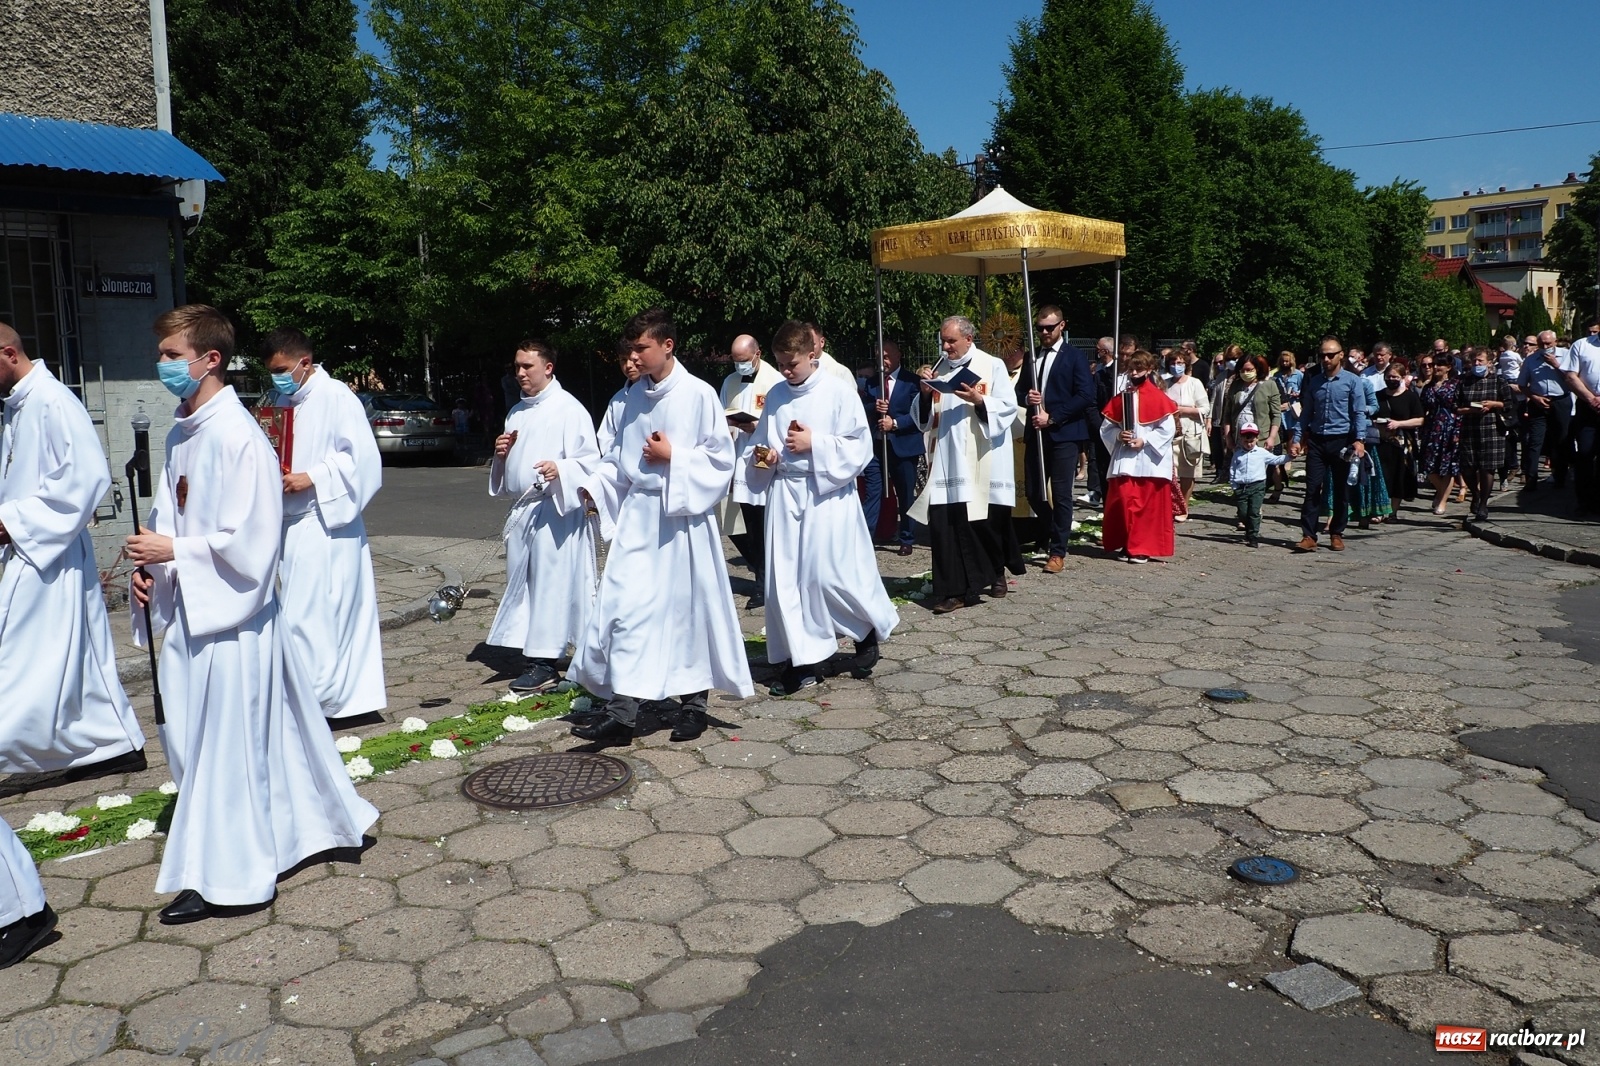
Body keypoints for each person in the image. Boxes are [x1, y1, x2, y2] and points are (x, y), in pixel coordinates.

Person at [127, 305, 377, 924]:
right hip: (194, 608)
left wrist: (174, 552)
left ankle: (231, 879)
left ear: (210, 359)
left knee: (228, 751)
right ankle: (297, 832)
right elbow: (170, 515)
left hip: (234, 623)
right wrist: (149, 566)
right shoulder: (182, 430)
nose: (161, 366)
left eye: (170, 356)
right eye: (160, 354)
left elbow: (254, 546)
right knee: (210, 742)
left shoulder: (239, 436)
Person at [569, 309, 753, 744]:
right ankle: (623, 712)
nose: (633, 357)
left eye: (641, 348)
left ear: (667, 346)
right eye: (630, 349)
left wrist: (676, 457)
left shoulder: (698, 394)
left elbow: (721, 461)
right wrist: (593, 487)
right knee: (626, 610)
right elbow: (619, 461)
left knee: (686, 612)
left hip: (683, 521)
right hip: (640, 519)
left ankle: (693, 704)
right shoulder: (634, 397)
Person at [0, 322, 146, 776]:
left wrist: (13, 520)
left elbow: (86, 478)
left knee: (24, 661)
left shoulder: (53, 400)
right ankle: (108, 744)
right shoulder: (16, 407)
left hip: (50, 551)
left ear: (7, 353)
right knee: (60, 662)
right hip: (27, 548)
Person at [747, 321, 898, 694]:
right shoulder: (778, 394)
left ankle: (864, 632)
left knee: (827, 576)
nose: (785, 371)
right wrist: (764, 457)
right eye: (781, 363)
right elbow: (765, 444)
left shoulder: (838, 391)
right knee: (787, 582)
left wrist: (815, 443)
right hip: (786, 494)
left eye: (792, 364)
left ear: (812, 355)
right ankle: (803, 662)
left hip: (826, 495)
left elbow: (860, 448)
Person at [260, 328, 387, 723]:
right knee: (306, 612)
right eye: (272, 372)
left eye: (283, 369)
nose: (278, 378)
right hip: (289, 519)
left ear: (305, 363)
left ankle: (320, 703)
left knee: (315, 613)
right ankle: (326, 700)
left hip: (325, 519)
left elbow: (363, 461)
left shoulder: (336, 397)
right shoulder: (282, 399)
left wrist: (313, 476)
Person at [488, 340, 601, 693]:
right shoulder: (517, 412)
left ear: (548, 368)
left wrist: (561, 468)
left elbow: (590, 463)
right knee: (527, 586)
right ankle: (535, 653)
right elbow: (508, 477)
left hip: (556, 512)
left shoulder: (570, 409)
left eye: (528, 367)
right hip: (525, 512)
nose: (520, 373)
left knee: (553, 586)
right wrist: (501, 455)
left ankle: (544, 661)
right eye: (517, 367)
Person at [909, 316, 1021, 612]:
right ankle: (953, 592)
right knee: (946, 525)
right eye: (943, 341)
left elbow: (1008, 409)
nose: (945, 347)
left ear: (968, 339)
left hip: (983, 457)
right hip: (947, 458)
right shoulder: (938, 368)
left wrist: (980, 401)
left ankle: (996, 571)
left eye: (951, 342)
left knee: (984, 523)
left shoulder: (991, 365)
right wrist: (923, 392)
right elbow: (923, 419)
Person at [1018, 306, 1095, 572]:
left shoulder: (1074, 357)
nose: (1044, 332)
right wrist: (1027, 399)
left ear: (1062, 325)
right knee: (1033, 492)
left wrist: (1052, 417)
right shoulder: (1032, 357)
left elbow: (1086, 395)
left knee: (1061, 494)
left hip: (1065, 434)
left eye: (1049, 327)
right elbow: (1019, 392)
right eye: (1040, 328)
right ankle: (1054, 529)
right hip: (1036, 435)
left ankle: (1057, 551)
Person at [718, 334, 783, 609]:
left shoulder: (775, 381)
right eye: (735, 361)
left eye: (744, 360)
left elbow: (781, 419)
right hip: (738, 457)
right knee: (740, 523)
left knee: (764, 522)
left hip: (763, 457)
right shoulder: (730, 382)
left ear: (757, 354)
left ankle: (765, 583)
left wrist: (758, 427)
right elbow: (722, 414)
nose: (739, 366)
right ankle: (761, 571)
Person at [1288, 336, 1369, 552]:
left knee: (1341, 490)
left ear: (1341, 355)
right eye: (1323, 355)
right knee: (1313, 488)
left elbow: (1358, 412)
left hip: (1342, 441)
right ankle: (1308, 535)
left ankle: (1336, 532)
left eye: (1330, 355)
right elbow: (1305, 414)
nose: (1326, 359)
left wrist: (1359, 440)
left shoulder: (1352, 381)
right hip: (1317, 441)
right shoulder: (1314, 381)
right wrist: (1297, 438)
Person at [1098, 349, 1178, 563]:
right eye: (1131, 369)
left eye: (1138, 369)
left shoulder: (1159, 398)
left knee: (1146, 507)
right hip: (1126, 459)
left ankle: (1141, 547)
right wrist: (1118, 435)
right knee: (1124, 502)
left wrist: (1146, 440)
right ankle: (1127, 542)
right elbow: (1106, 428)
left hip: (1149, 460)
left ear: (1149, 370)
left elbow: (1167, 429)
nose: (1133, 373)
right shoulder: (1122, 397)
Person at [863, 340, 924, 556]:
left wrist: (895, 423)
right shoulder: (871, 383)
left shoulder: (912, 382)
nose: (883, 362)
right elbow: (862, 410)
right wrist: (873, 407)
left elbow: (919, 414)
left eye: (887, 357)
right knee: (873, 491)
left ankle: (907, 537)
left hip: (903, 445)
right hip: (876, 446)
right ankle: (866, 535)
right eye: (880, 357)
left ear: (898, 356)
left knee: (905, 493)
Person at [1454, 346, 1513, 522]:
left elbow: (1509, 404)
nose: (1477, 364)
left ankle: (1483, 505)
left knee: (1487, 468)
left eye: (1480, 361)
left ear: (1489, 362)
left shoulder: (1498, 381)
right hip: (1469, 428)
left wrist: (1494, 404)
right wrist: (1470, 410)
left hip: (1492, 429)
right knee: (1467, 467)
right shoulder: (1463, 381)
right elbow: (1455, 407)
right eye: (1474, 361)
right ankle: (1475, 493)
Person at [1519, 330, 1572, 495]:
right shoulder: (1531, 360)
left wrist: (1556, 365)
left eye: (1548, 344)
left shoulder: (1566, 355)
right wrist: (1534, 397)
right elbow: (1522, 384)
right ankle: (1531, 478)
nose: (1546, 347)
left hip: (1561, 400)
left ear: (1555, 342)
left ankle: (1560, 476)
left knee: (1562, 439)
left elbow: (1573, 379)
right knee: (1535, 440)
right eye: (1542, 344)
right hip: (1539, 401)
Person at [1164, 347, 1210, 521]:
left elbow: (1205, 408)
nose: (1177, 366)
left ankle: (1184, 505)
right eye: (1173, 363)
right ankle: (1171, 504)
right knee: (1171, 471)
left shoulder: (1194, 383)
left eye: (1180, 363)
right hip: (1170, 433)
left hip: (1191, 432)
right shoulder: (1165, 383)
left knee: (1187, 471)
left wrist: (1182, 409)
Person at [1374, 358, 1425, 513]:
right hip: (1381, 441)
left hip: (1402, 444)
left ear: (1403, 378)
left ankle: (1393, 510)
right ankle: (1380, 509)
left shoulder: (1410, 397)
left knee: (1398, 477)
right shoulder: (1378, 396)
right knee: (1381, 476)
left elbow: (1420, 419)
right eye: (1389, 377)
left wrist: (1398, 424)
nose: (1391, 380)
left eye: (1395, 377)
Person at [1562, 318, 1600, 514]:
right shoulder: (1582, 345)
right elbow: (1570, 376)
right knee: (1585, 453)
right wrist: (1591, 398)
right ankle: (1585, 501)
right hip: (1588, 408)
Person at [1230, 421, 1289, 547]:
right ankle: (1248, 528)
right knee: (1243, 512)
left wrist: (1289, 456)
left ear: (1257, 439)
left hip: (1257, 486)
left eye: (1251, 440)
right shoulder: (1237, 454)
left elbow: (1276, 459)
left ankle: (1253, 537)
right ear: (1241, 439)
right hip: (1241, 487)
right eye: (1246, 441)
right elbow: (1232, 470)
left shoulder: (1261, 453)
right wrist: (1234, 485)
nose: (1249, 443)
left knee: (1254, 512)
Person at [1418, 354, 1464, 516]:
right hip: (1431, 429)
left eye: (1439, 365)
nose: (1435, 368)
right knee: (1430, 467)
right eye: (1433, 364)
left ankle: (1443, 500)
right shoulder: (1428, 387)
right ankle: (1441, 492)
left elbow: (1461, 406)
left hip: (1451, 428)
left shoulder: (1456, 384)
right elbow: (1422, 408)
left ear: (1448, 367)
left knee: (1448, 467)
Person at [1085, 337, 1116, 506]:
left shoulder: (1118, 374)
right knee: (1101, 465)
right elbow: (1092, 403)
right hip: (1102, 428)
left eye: (1099, 349)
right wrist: (1099, 427)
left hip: (1121, 430)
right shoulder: (1099, 375)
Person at [597, 338, 642, 455]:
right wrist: (617, 455)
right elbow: (605, 436)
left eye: (632, 359)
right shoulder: (617, 400)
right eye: (623, 360)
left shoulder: (655, 393)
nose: (628, 365)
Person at [1270, 352, 1303, 504]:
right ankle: (1280, 466)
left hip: (1292, 411)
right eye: (1282, 361)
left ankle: (1289, 461)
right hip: (1279, 412)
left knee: (1291, 436)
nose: (1284, 363)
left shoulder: (1298, 375)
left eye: (1287, 361)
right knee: (1279, 438)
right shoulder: (1275, 376)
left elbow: (1304, 392)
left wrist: (1296, 395)